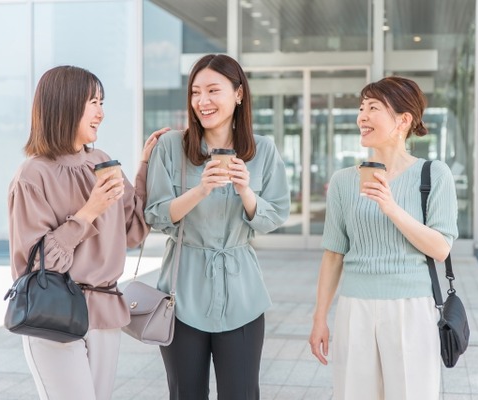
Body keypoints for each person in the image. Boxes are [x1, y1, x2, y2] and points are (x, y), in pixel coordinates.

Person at [8, 65, 168, 400]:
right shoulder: (33, 175)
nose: (101, 112)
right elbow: (37, 266)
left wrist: (145, 166)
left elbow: (133, 229)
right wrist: (90, 211)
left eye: (102, 102)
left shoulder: (102, 161)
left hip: (104, 312)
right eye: (93, 102)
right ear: (65, 104)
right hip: (54, 314)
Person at [144, 54, 290, 399]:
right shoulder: (171, 147)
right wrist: (201, 189)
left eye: (213, 90)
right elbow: (155, 214)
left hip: (243, 296)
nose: (202, 101)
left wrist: (245, 191)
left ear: (239, 94)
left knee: (241, 393)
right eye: (196, 92)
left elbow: (276, 215)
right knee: (185, 394)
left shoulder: (263, 150)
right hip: (180, 296)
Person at [308, 76, 459, 400]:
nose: (362, 116)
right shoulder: (344, 181)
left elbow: (440, 247)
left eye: (373, 107)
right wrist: (320, 317)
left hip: (412, 309)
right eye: (361, 108)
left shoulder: (433, 175)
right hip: (354, 307)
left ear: (404, 120)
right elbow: (333, 254)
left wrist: (391, 208)